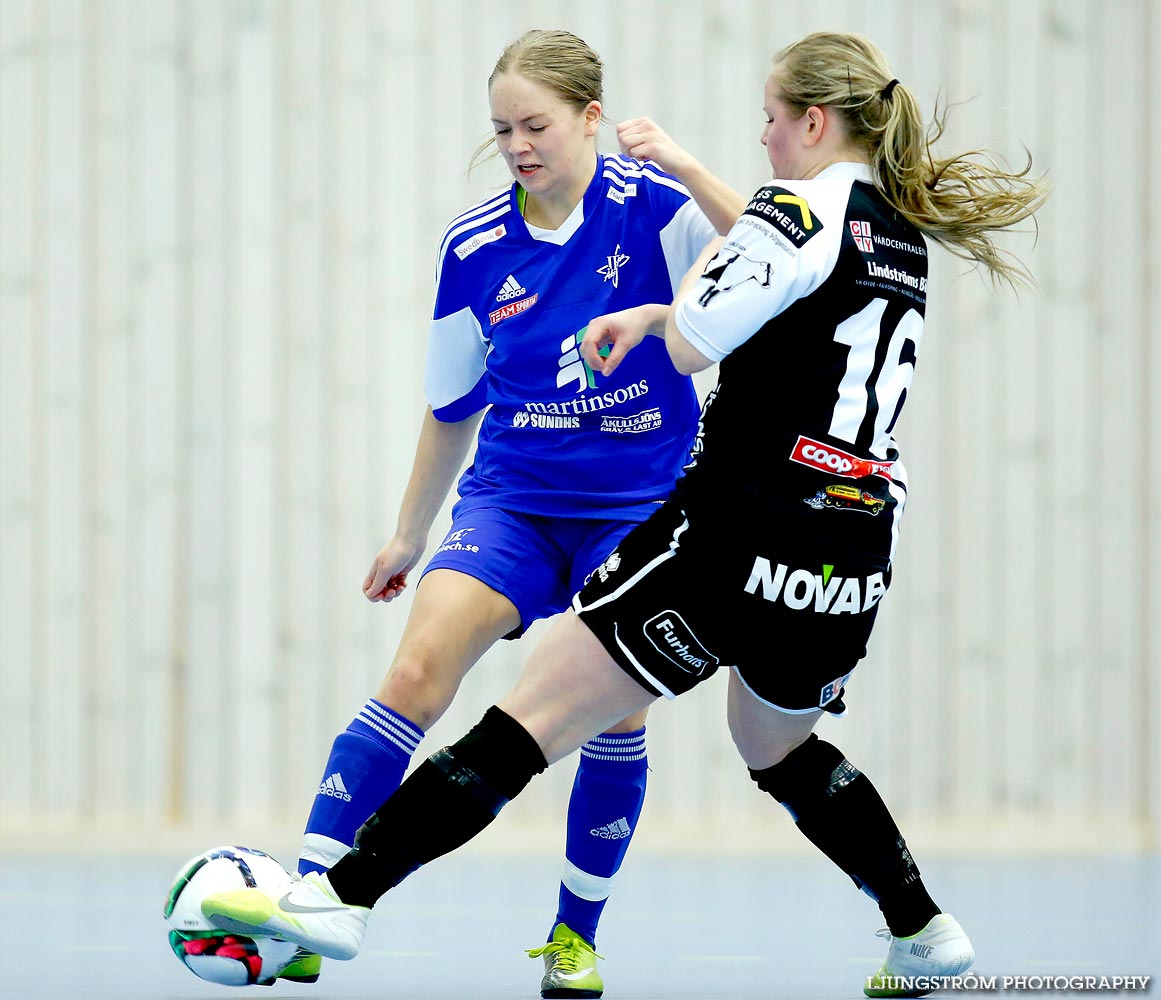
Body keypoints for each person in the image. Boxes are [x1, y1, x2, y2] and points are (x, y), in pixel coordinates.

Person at [202, 30, 1050, 998]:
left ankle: (338, 897)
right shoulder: (895, 232)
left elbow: (696, 341)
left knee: (537, 709)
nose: (764, 142)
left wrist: (653, 312)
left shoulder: (782, 209)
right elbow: (792, 314)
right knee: (775, 746)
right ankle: (922, 929)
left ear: (814, 121)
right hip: (848, 551)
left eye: (771, 123)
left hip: (741, 527)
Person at [272, 28, 744, 997]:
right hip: (515, 498)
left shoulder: (657, 210)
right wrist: (410, 530)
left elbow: (777, 263)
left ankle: (576, 936)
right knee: (415, 666)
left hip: (639, 510)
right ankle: (308, 901)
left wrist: (693, 167)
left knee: (610, 718)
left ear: (592, 120)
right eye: (502, 129)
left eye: (537, 125)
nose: (520, 144)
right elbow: (453, 405)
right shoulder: (477, 243)